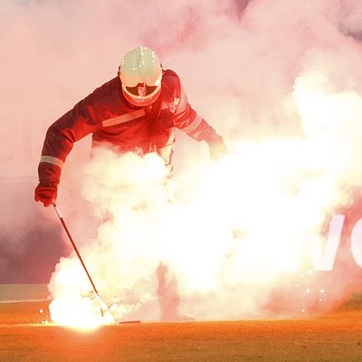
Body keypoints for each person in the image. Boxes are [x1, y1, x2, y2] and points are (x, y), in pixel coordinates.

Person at [34, 45, 227, 320]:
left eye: (149, 92)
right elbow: (61, 132)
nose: (142, 98)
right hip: (116, 185)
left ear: (160, 78)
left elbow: (187, 117)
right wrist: (49, 180)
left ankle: (171, 310)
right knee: (114, 240)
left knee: (166, 239)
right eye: (134, 93)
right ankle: (99, 304)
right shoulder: (102, 102)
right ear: (120, 80)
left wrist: (211, 138)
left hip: (159, 179)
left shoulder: (171, 88)